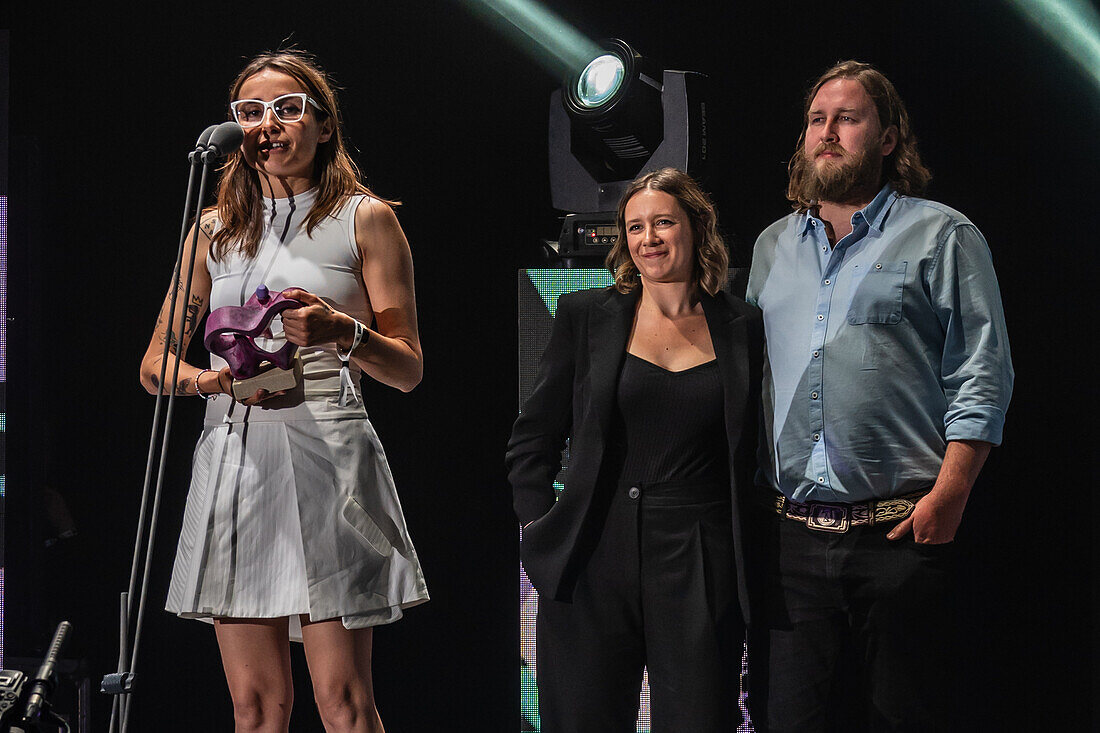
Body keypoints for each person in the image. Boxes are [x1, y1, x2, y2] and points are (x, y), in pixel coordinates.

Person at [139, 50, 428, 733]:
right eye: (249, 112)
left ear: (323, 126)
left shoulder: (366, 219)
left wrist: (341, 330)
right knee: (256, 705)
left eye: (287, 108)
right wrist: (214, 379)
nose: (267, 125)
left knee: (345, 699)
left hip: (329, 453)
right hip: (236, 458)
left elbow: (409, 367)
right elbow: (154, 364)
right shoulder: (212, 230)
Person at [745, 60, 1013, 731]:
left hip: (900, 536)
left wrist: (949, 495)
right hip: (791, 543)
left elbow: (982, 371)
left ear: (888, 137)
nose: (827, 132)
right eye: (816, 119)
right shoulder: (771, 246)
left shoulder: (943, 234)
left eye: (847, 118)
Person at [507, 167, 763, 731]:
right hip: (592, 550)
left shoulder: (744, 324)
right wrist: (541, 527)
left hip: (700, 553)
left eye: (663, 222)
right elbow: (534, 438)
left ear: (697, 227)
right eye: (635, 227)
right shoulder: (583, 316)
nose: (648, 239)